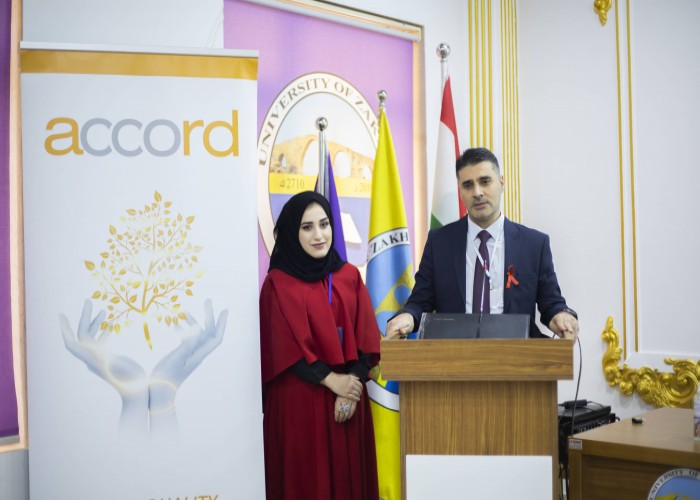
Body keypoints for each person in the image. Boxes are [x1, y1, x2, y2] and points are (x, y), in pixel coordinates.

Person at [259, 191, 381, 500]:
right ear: (292, 232)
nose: (319, 235)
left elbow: (366, 338)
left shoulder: (349, 276)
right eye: (307, 227)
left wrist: (350, 387)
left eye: (324, 224)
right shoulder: (277, 284)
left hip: (348, 404)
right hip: (300, 406)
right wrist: (332, 381)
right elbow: (281, 348)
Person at [387, 147, 579, 340]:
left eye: (485, 182)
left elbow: (551, 303)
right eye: (468, 185)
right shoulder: (440, 242)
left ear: (501, 183)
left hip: (517, 353)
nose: (477, 193)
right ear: (460, 191)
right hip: (455, 353)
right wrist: (407, 317)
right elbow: (420, 302)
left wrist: (562, 316)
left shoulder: (534, 244)